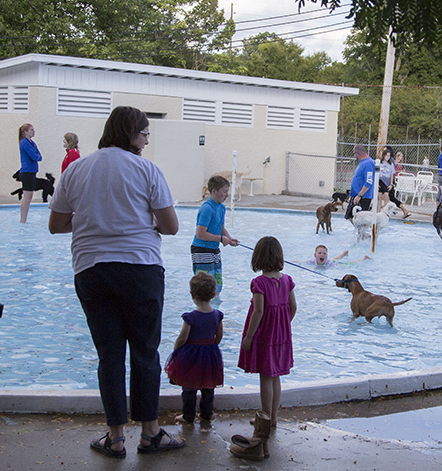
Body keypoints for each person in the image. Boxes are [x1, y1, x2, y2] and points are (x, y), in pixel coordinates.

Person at [48, 106, 183, 457]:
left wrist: (94, 219)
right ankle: (151, 433)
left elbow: (56, 224)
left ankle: (115, 437)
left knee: (109, 355)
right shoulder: (146, 169)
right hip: (140, 269)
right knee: (144, 351)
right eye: (145, 134)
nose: (147, 140)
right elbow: (170, 227)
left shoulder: (77, 169)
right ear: (132, 134)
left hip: (92, 270)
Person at [238, 236, 297, 429]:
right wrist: (284, 324)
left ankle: (264, 418)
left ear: (258, 258)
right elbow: (293, 307)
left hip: (264, 335)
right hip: (281, 335)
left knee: (265, 375)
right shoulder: (287, 280)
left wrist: (248, 337)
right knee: (276, 376)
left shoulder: (259, 283)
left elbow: (259, 311)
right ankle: (273, 417)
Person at [164, 271, 224, 424]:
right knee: (208, 385)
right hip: (210, 354)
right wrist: (211, 346)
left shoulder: (190, 317)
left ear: (192, 294)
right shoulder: (217, 315)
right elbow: (219, 336)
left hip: (191, 355)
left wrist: (176, 350)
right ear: (213, 294)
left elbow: (183, 337)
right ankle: (206, 414)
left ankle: (188, 415)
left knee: (189, 386)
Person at [192, 175, 239, 297]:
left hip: (214, 249)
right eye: (224, 191)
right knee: (204, 287)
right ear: (213, 191)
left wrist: (229, 238)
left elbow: (221, 228)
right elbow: (200, 234)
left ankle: (214, 310)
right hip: (202, 250)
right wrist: (221, 239)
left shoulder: (221, 207)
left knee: (217, 284)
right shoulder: (207, 208)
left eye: (227, 191)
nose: (227, 195)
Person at [18, 123, 42, 223]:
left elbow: (39, 156)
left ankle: (24, 218)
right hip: (27, 172)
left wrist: (37, 156)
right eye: (31, 130)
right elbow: (34, 156)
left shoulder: (32, 142)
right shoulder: (24, 143)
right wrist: (36, 156)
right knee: (27, 196)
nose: (33, 131)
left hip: (32, 172)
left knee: (29, 196)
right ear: (25, 132)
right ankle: (22, 220)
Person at [345, 144, 375, 220]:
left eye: (354, 154)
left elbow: (368, 181)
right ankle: (359, 231)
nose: (354, 156)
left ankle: (362, 232)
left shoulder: (368, 163)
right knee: (349, 216)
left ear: (357, 153)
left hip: (363, 197)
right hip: (356, 195)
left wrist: (359, 196)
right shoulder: (363, 162)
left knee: (360, 219)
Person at [377, 148, 410, 218]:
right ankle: (378, 212)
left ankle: (386, 213)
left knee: (389, 196)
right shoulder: (379, 163)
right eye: (386, 155)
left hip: (388, 182)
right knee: (380, 196)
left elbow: (392, 174)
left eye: (389, 155)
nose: (387, 157)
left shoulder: (391, 164)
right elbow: (376, 172)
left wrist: (391, 184)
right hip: (380, 181)